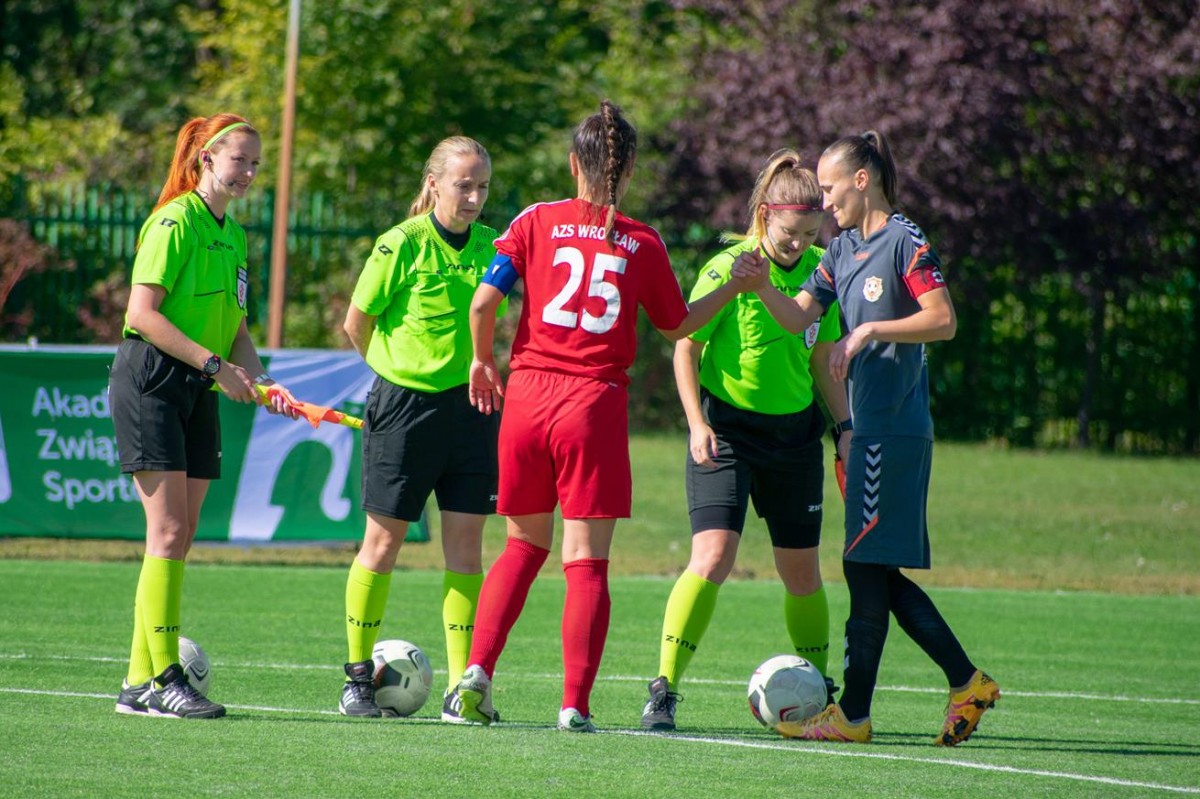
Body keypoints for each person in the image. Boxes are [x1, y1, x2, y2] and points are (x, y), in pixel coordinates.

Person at [447, 100, 754, 733]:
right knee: (585, 560)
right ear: (630, 168)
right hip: (592, 404)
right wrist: (734, 285)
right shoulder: (641, 240)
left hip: (527, 398)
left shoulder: (536, 220)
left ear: (572, 164)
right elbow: (679, 326)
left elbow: (482, 305)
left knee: (522, 546)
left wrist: (482, 362)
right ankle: (574, 706)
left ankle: (475, 674)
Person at [732, 130, 999, 746]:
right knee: (870, 572)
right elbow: (799, 316)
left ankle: (860, 713)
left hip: (893, 432)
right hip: (868, 432)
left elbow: (943, 320)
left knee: (864, 568)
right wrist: (761, 286)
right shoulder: (840, 249)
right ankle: (956, 685)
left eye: (830, 189)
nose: (823, 202)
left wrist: (869, 330)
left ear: (862, 180)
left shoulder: (905, 240)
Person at [640, 150, 851, 731]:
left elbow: (822, 360)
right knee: (712, 557)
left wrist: (845, 429)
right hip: (727, 433)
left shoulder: (821, 273)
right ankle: (664, 688)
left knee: (802, 572)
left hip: (795, 441)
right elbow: (685, 345)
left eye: (810, 234)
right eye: (789, 234)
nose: (799, 244)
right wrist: (697, 424)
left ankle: (819, 691)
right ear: (764, 217)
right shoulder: (729, 268)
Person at [109, 113, 299, 719]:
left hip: (199, 383)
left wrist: (262, 379)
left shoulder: (235, 235)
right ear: (206, 158)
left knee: (180, 536)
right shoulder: (174, 221)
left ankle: (138, 683)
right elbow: (142, 315)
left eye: (256, 163)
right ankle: (165, 679)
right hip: (153, 379)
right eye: (239, 159)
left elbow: (236, 328)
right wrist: (216, 367)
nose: (248, 173)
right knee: (166, 532)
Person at [338, 136, 501, 721]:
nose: (474, 198)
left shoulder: (493, 247)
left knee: (466, 550)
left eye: (483, 187)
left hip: (473, 410)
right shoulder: (401, 243)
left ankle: (463, 689)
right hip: (403, 410)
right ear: (434, 184)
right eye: (464, 185)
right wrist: (396, 376)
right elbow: (356, 323)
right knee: (382, 545)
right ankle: (357, 678)